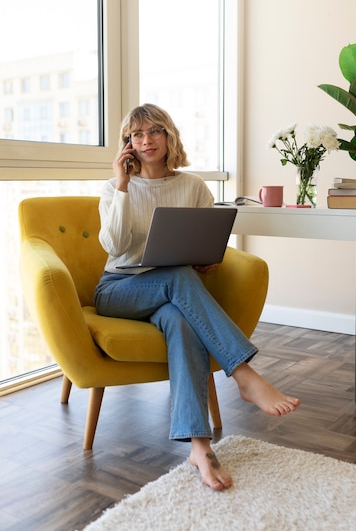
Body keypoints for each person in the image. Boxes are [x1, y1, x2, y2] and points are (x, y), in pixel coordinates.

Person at [94, 103, 300, 491]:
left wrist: (208, 259)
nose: (145, 140)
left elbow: (208, 242)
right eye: (136, 135)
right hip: (118, 289)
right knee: (177, 277)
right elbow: (115, 245)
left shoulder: (192, 186)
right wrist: (122, 185)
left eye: (154, 131)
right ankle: (243, 373)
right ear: (127, 145)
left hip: (172, 290)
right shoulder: (115, 187)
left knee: (181, 319)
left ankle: (200, 447)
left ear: (168, 136)